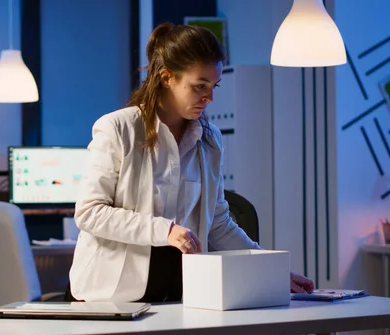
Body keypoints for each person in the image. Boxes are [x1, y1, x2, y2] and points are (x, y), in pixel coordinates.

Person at [65, 22, 314, 303]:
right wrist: (165, 230)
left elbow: (218, 222)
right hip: (111, 294)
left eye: (213, 86)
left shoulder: (209, 139)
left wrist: (273, 270)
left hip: (181, 291)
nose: (210, 97)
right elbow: (90, 212)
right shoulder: (118, 128)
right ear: (166, 77)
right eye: (199, 86)